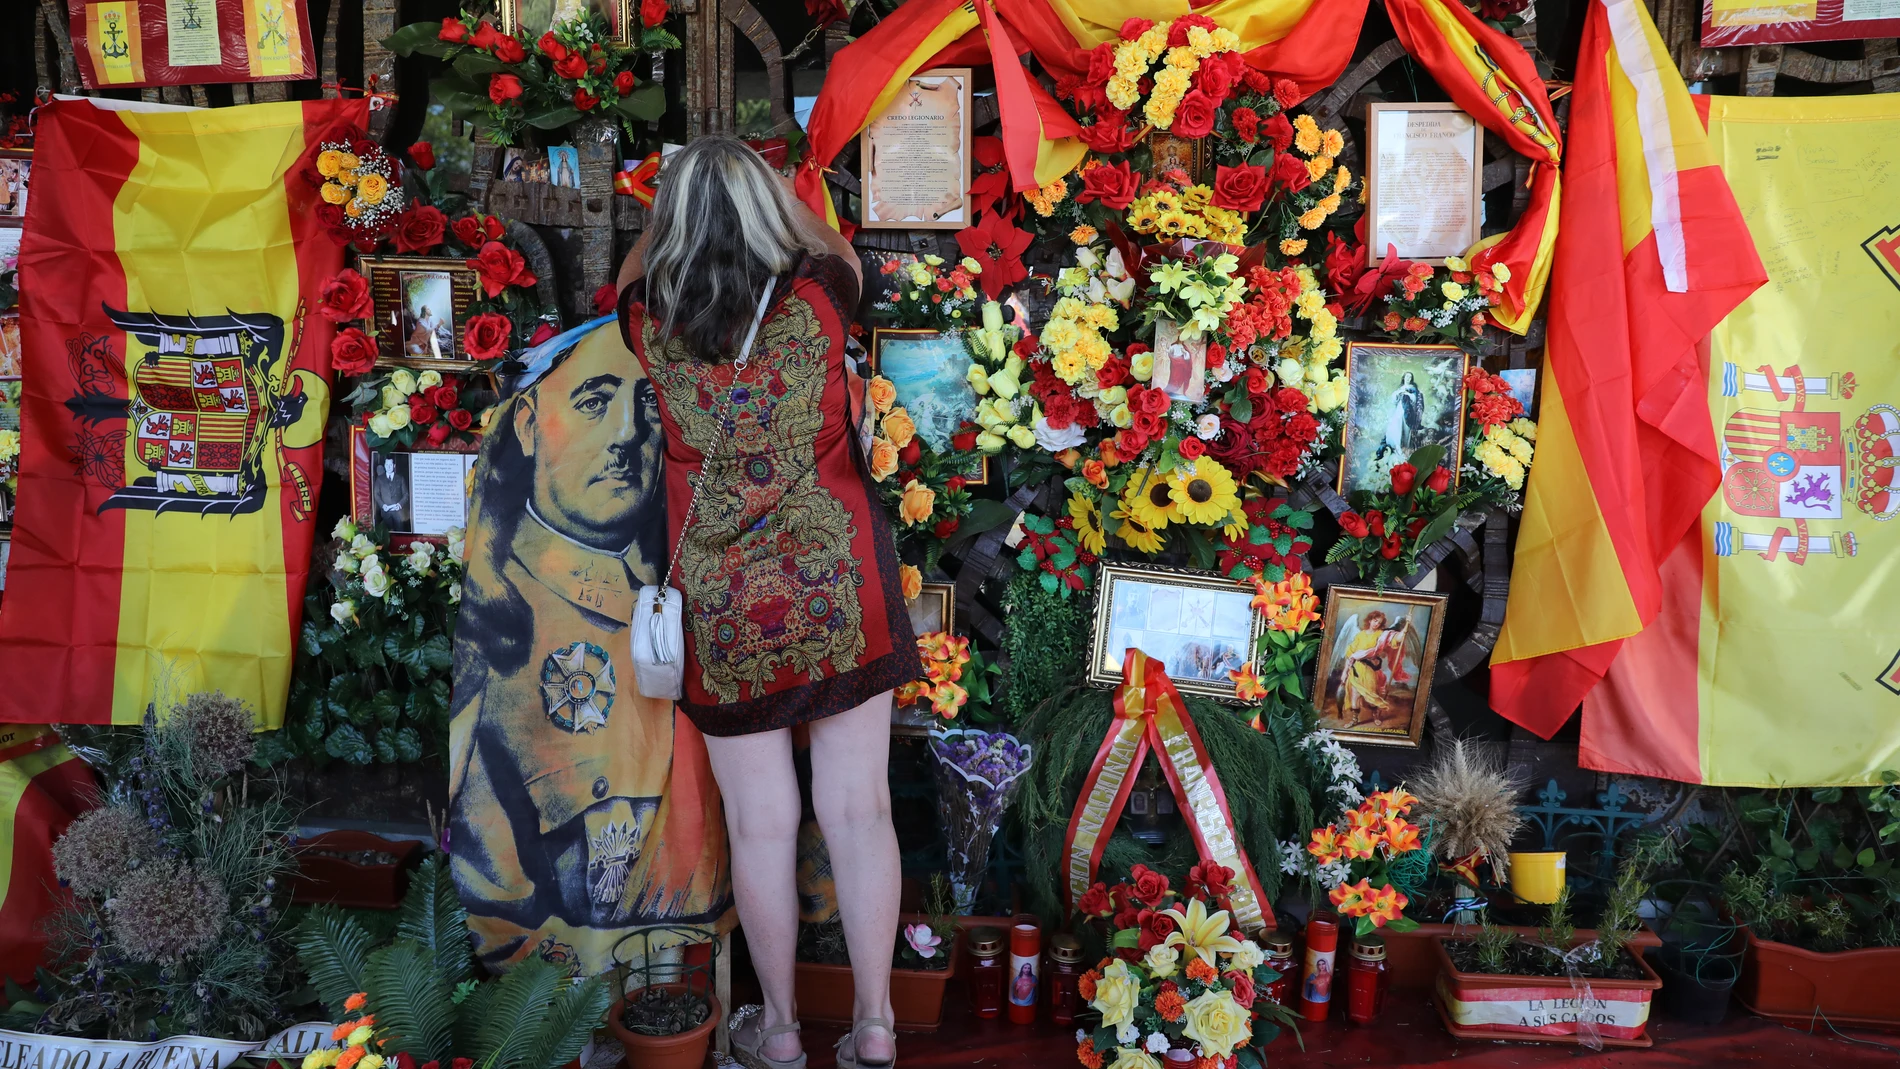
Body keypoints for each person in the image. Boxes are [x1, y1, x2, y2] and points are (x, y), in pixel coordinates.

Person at [616, 136, 918, 1069]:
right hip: (838, 582)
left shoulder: (647, 321)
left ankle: (780, 1030)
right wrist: (771, 192)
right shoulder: (822, 298)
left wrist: (675, 204)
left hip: (725, 605)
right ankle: (875, 1024)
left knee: (760, 822)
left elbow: (630, 267)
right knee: (860, 809)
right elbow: (830, 243)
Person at [449, 323, 732, 974]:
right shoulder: (501, 628)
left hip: (703, 980)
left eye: (650, 404)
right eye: (594, 401)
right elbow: (496, 911)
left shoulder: (702, 594)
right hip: (571, 1003)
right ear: (528, 424)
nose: (627, 432)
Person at [1376, 371, 1426, 462]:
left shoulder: (1413, 388)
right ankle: (1397, 447)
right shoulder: (1400, 388)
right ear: (1404, 377)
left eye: (1410, 377)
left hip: (1408, 411)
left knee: (1406, 430)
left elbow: (1415, 399)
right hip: (1399, 409)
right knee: (1395, 427)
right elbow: (1394, 400)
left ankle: (1405, 449)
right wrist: (1399, 392)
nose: (1408, 378)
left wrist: (1407, 394)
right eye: (1407, 376)